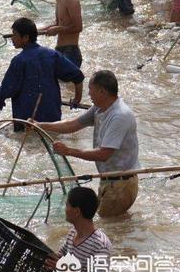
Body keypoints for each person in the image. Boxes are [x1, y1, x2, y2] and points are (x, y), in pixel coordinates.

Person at [35, 70, 140, 217]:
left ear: (102, 91)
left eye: (91, 89)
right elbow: (72, 125)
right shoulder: (99, 107)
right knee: (116, 225)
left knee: (107, 225)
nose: (89, 94)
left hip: (121, 183)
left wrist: (69, 151)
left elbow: (103, 154)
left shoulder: (120, 116)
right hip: (109, 180)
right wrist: (40, 125)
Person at [0, 18, 84, 132]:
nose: (12, 38)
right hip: (53, 120)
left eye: (15, 35)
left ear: (26, 37)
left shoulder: (19, 61)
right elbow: (78, 76)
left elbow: (7, 91)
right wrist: (77, 99)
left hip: (26, 120)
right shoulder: (52, 55)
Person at [45, 186, 112, 272]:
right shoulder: (73, 233)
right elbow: (61, 256)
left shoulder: (100, 246)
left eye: (67, 205)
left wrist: (63, 268)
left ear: (77, 212)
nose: (65, 209)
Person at [40, 0, 84, 68]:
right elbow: (57, 23)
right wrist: (36, 31)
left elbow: (78, 27)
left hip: (71, 52)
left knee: (67, 84)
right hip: (59, 50)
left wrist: (58, 29)